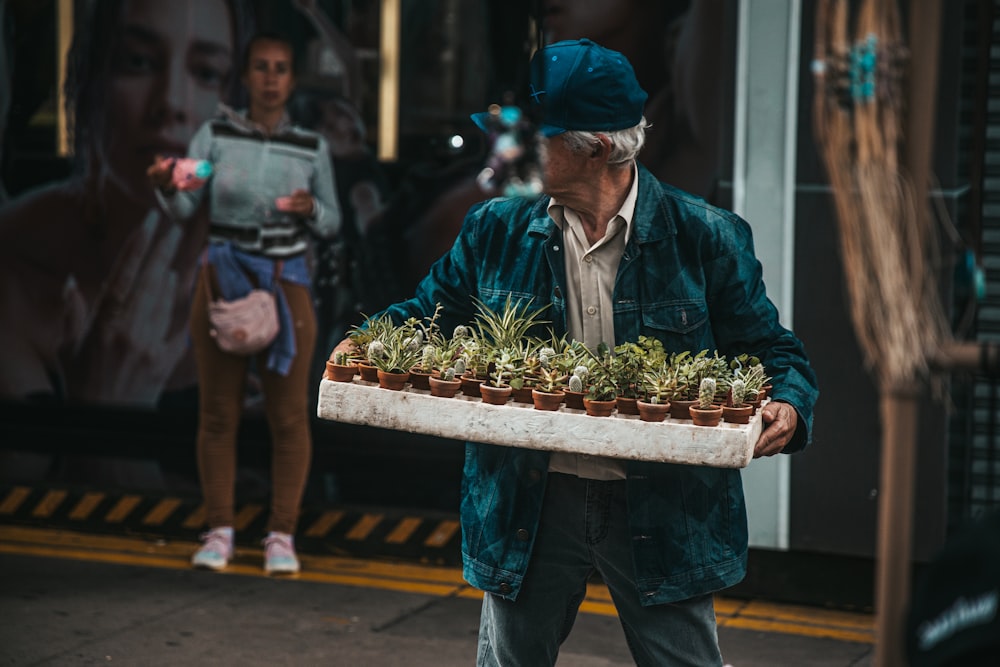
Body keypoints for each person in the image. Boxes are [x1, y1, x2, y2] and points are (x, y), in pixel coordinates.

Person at [328, 39, 818, 665]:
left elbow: (771, 350)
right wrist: (365, 341)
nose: (507, 152)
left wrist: (789, 404)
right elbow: (428, 316)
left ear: (598, 147)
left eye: (532, 137)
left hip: (664, 503)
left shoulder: (706, 237)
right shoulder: (494, 228)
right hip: (530, 498)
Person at [149, 32, 341, 574]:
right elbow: (184, 206)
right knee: (217, 414)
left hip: (286, 284)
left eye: (281, 68)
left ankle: (281, 535)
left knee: (288, 416)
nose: (271, 77)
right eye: (261, 67)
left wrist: (310, 209)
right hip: (223, 281)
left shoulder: (310, 147)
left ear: (292, 79)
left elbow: (334, 221)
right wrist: (166, 185)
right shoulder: (215, 138)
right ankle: (220, 532)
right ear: (247, 76)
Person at [0, 0, 253, 406]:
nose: (172, 102)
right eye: (138, 62)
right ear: (89, 81)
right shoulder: (14, 261)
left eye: (206, 73)